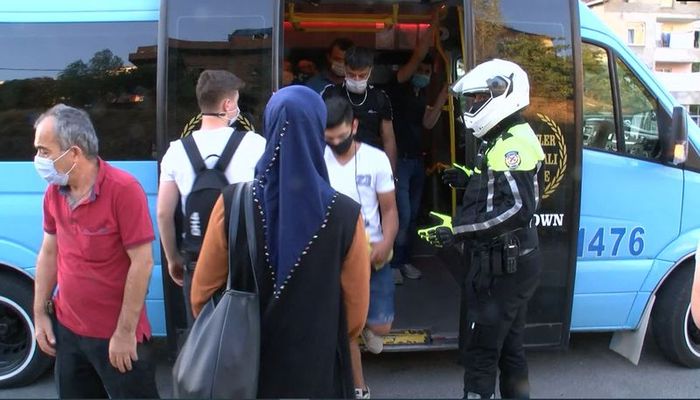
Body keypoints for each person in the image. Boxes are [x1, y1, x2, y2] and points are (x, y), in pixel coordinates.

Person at [190, 85, 370, 399]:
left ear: (270, 129)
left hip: (245, 376)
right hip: (316, 374)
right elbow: (355, 316)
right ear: (317, 130)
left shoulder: (233, 203)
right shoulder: (346, 215)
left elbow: (200, 295)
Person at [421, 59, 545, 399]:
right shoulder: (502, 136)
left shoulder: (513, 145)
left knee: (482, 352)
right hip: (510, 260)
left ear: (503, 94)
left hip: (503, 265)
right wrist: (468, 179)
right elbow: (498, 188)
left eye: (479, 98)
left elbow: (518, 209)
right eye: (472, 99)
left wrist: (458, 231)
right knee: (510, 348)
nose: (473, 105)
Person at [32, 104, 159, 398]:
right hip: (68, 332)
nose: (38, 160)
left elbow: (142, 262)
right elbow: (49, 252)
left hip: (116, 336)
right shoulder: (54, 192)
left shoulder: (123, 189)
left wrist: (125, 333)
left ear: (74, 153)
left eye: (44, 151)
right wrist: (39, 314)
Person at [157, 69, 265, 326]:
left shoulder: (176, 151)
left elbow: (163, 213)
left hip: (197, 260)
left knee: (202, 336)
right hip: (241, 261)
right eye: (236, 100)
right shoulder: (255, 144)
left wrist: (173, 258)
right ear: (227, 105)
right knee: (243, 335)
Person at [323, 95, 398, 398]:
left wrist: (386, 241)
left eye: (341, 136)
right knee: (347, 329)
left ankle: (366, 323)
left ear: (354, 126)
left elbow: (389, 211)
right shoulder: (317, 160)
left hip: (373, 255)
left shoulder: (375, 159)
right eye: (329, 139)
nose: (336, 143)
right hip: (334, 257)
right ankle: (359, 388)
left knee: (380, 330)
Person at [387, 14, 449, 284]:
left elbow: (428, 121)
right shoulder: (398, 86)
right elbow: (419, 55)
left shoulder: (420, 95)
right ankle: (393, 264)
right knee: (402, 214)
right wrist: (434, 23)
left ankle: (403, 261)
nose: (422, 74)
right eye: (419, 70)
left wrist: (446, 91)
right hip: (399, 161)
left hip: (416, 163)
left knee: (412, 216)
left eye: (426, 72)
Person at [322, 46, 398, 174]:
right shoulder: (330, 94)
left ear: (370, 71)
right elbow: (318, 131)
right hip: (336, 163)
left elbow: (388, 139)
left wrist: (391, 174)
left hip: (370, 164)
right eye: (352, 74)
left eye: (362, 75)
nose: (357, 79)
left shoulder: (379, 98)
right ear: (345, 69)